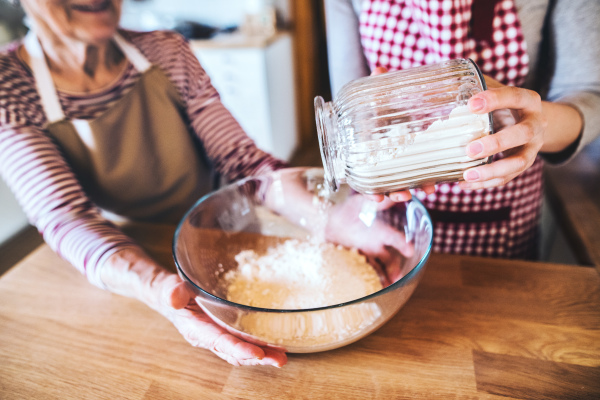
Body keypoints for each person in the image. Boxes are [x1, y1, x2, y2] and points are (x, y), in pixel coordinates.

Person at [0, 0, 294, 367]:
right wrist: (159, 287)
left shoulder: (165, 51)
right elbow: (66, 217)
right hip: (128, 257)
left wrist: (328, 212)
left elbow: (244, 161)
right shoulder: (7, 84)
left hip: (225, 233)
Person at [324, 0, 600, 260]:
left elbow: (589, 96)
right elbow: (348, 116)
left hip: (502, 217)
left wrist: (539, 125)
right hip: (392, 219)